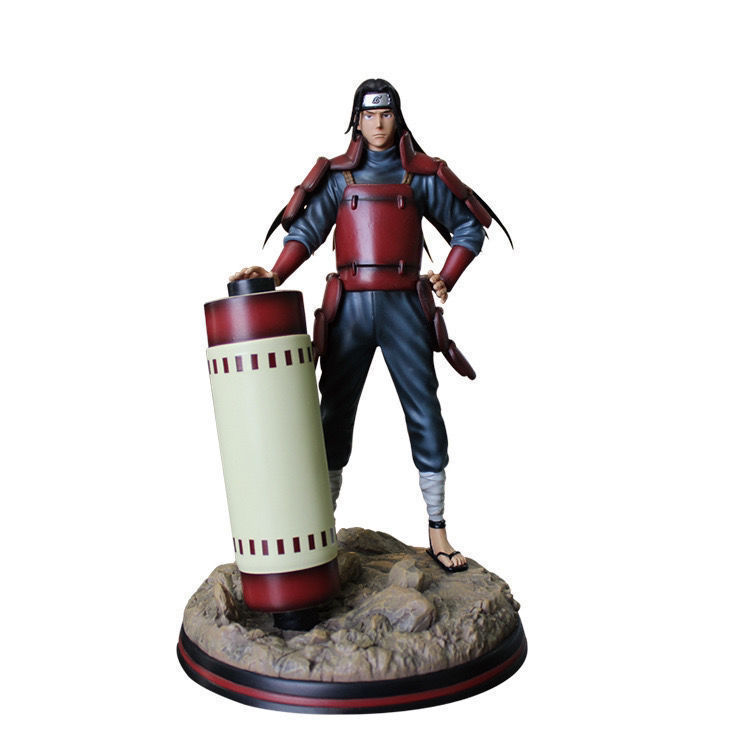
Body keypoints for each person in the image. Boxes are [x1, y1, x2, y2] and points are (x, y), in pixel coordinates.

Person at [231, 79, 509, 572]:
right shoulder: (339, 178)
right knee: (333, 414)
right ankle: (321, 530)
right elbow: (308, 231)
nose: (378, 124)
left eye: (386, 114)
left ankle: (438, 531)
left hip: (405, 307)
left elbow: (470, 227)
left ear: (397, 118)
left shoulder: (420, 176)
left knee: (424, 410)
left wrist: (446, 276)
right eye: (369, 115)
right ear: (356, 120)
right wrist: (273, 275)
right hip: (349, 308)